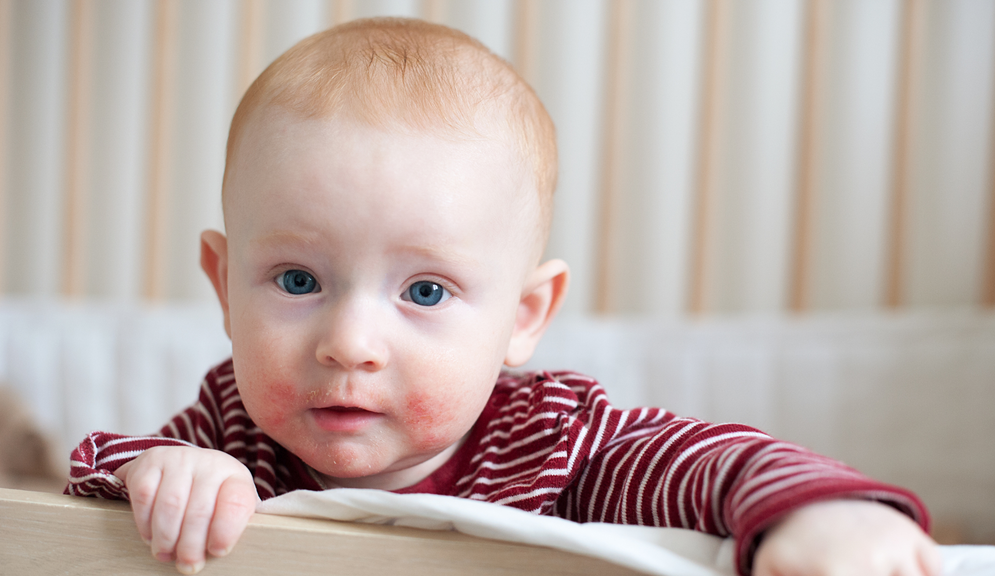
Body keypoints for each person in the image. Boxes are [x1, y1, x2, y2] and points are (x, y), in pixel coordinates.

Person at [66, 18, 940, 576]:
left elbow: (714, 464)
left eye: (426, 290)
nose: (350, 341)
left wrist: (823, 515)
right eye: (298, 281)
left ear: (523, 318)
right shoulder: (233, 427)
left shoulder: (553, 440)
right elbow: (85, 484)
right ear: (224, 286)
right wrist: (157, 472)